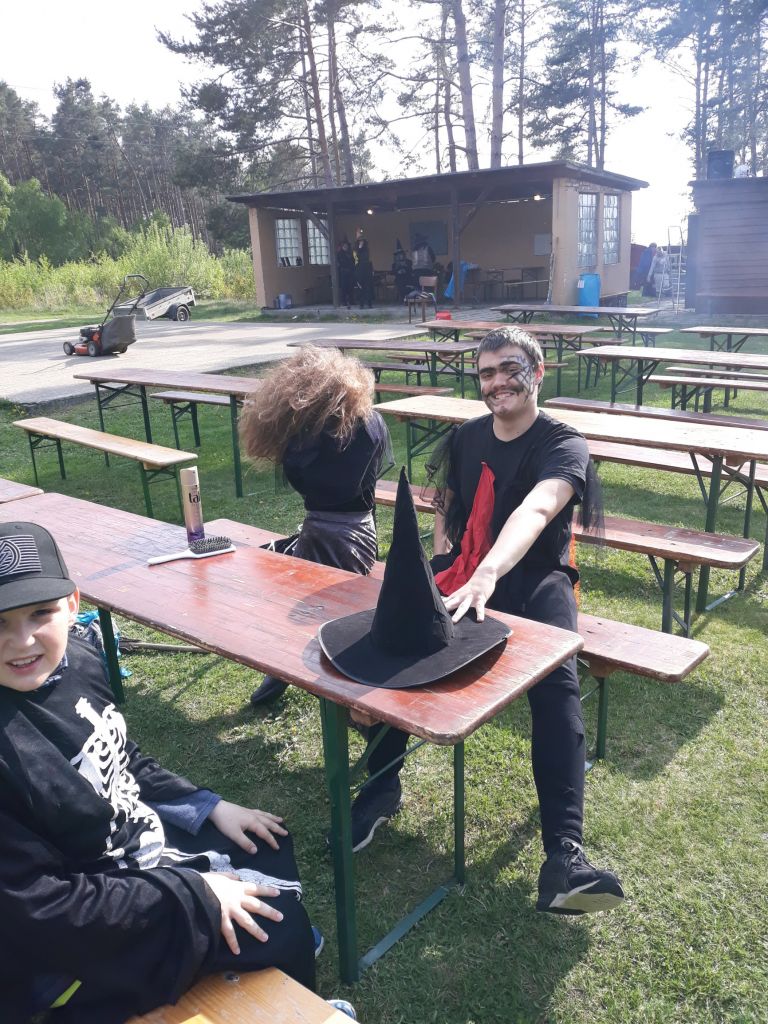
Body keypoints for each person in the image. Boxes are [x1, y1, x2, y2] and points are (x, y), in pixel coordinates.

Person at [0, 522, 330, 1024]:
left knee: (265, 842)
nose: (21, 640)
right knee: (279, 927)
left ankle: (275, 963)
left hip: (131, 849)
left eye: (39, 613)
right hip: (73, 937)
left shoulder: (79, 659)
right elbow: (39, 908)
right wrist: (197, 895)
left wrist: (208, 806)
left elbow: (118, 753)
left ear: (72, 604)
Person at [349, 326, 626, 915]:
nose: (497, 382)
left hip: (536, 578)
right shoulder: (470, 435)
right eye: (486, 373)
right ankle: (380, 787)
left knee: (557, 684)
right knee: (401, 649)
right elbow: (449, 501)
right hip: (469, 570)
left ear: (538, 373)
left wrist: (488, 572)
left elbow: (538, 508)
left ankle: (565, 857)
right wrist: (447, 560)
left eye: (509, 369)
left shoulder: (563, 443)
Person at [241, 346, 393, 706]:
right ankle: (288, 669)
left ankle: (318, 677)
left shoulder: (339, 432)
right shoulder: (346, 426)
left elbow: (326, 486)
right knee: (303, 597)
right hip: (342, 528)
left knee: (326, 607)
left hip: (346, 535)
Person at [353, 237, 375, 308]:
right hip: (359, 269)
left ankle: (369, 303)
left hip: (367, 269)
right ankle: (361, 304)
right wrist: (359, 249)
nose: (361, 242)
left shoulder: (366, 249)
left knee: (368, 287)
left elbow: (367, 258)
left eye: (362, 241)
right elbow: (356, 259)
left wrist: (371, 269)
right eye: (360, 241)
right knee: (360, 286)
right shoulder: (355, 250)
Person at [336, 241, 356, 309]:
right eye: (345, 246)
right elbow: (341, 262)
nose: (346, 247)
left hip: (350, 272)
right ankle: (344, 301)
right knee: (344, 287)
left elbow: (353, 261)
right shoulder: (340, 253)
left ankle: (351, 300)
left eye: (347, 246)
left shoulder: (350, 253)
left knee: (351, 287)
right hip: (344, 272)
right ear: (342, 246)